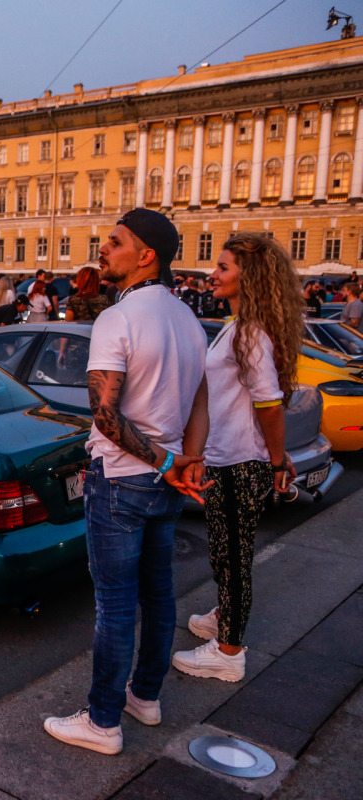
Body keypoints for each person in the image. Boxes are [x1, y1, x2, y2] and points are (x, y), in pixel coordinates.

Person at [44, 208, 209, 756]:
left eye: (114, 242)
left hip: (122, 479)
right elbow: (200, 401)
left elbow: (106, 417)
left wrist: (167, 463)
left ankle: (103, 722)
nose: (103, 248)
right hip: (165, 482)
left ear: (146, 256)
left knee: (115, 605)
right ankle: (146, 696)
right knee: (158, 595)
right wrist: (187, 459)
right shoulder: (187, 318)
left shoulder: (119, 318)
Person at [172, 233, 304, 683]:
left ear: (250, 277)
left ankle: (228, 652)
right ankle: (223, 615)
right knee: (224, 554)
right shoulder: (240, 324)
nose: (214, 273)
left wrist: (276, 459)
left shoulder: (249, 331)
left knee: (233, 558)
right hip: (229, 457)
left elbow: (268, 403)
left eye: (224, 267)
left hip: (239, 461)